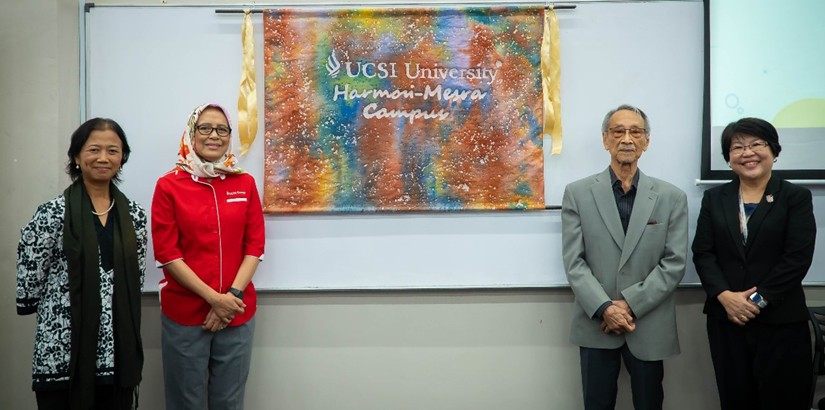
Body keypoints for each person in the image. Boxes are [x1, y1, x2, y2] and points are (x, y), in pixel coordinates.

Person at [561, 104, 688, 410]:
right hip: (597, 322)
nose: (627, 139)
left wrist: (629, 304)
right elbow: (574, 262)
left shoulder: (671, 197)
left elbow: (675, 263)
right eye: (618, 131)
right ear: (605, 140)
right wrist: (606, 307)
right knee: (596, 404)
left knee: (650, 403)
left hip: (647, 321)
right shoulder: (578, 193)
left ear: (647, 141)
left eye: (636, 132)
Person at [16, 118, 146, 410]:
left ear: (122, 158)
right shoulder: (52, 213)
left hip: (116, 355)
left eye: (113, 150)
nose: (103, 158)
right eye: (93, 149)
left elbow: (135, 280)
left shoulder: (135, 216)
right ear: (76, 156)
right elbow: (29, 279)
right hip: (62, 351)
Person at [692, 117, 816, 409]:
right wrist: (726, 297)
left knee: (782, 400)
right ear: (729, 158)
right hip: (727, 320)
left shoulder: (795, 197)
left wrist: (756, 301)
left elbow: (797, 258)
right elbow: (703, 253)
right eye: (738, 147)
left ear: (774, 150)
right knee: (735, 399)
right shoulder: (714, 198)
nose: (747, 153)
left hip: (780, 321)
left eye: (757, 144)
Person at [151, 103, 265, 409]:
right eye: (205, 128)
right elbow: (168, 255)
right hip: (186, 315)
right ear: (191, 133)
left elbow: (255, 247)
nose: (214, 135)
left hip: (237, 312)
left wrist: (230, 298)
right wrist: (214, 299)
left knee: (229, 402)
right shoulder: (168, 186)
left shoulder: (245, 183)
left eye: (222, 129)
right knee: (185, 401)